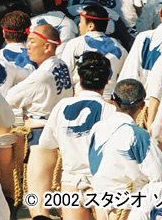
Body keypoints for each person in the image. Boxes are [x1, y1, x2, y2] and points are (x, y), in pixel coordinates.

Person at [36, 52, 116, 219]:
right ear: (108, 79)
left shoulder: (61, 106)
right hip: (102, 184)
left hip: (70, 182)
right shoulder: (111, 111)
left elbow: (46, 147)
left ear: (79, 78)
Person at [6, 22, 73, 218]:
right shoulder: (61, 65)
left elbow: (10, 98)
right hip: (62, 134)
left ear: (47, 46)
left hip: (41, 137)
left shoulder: (41, 76)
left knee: (37, 202)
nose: (27, 46)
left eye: (32, 41)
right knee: (61, 201)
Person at [87, 79, 162, 216]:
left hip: (101, 203)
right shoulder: (138, 134)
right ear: (142, 106)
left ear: (113, 102)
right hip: (129, 208)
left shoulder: (97, 128)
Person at [60, 4, 127, 99]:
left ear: (91, 26)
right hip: (109, 100)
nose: (79, 25)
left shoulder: (75, 44)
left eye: (81, 21)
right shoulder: (120, 48)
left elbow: (65, 75)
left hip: (80, 98)